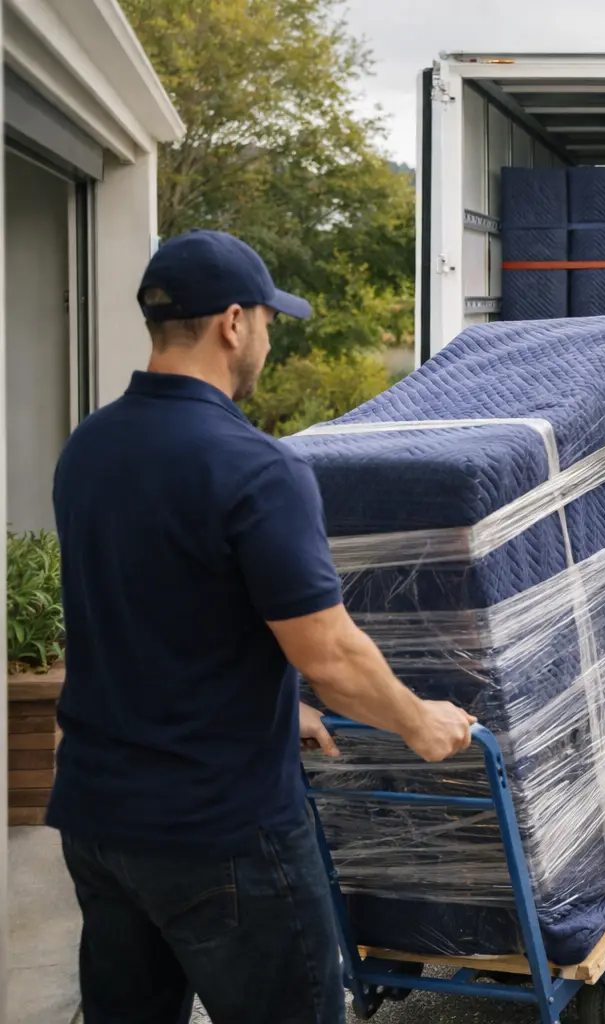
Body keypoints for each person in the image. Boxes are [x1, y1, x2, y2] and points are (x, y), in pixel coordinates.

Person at [48, 229, 479, 1024]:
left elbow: (147, 616)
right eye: (271, 322)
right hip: (221, 831)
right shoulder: (256, 468)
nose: (271, 340)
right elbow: (333, 652)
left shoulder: (88, 448)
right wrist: (421, 722)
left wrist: (286, 708)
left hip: (100, 820)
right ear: (233, 323)